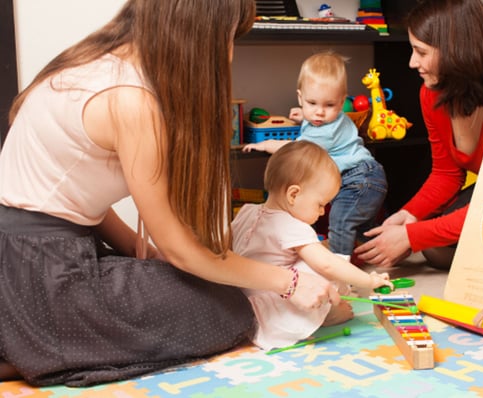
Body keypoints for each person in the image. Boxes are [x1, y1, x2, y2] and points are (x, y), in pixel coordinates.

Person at [0, 0, 341, 387]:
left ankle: (28, 343)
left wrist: (148, 256)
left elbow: (72, 199)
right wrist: (289, 282)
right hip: (45, 271)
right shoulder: (131, 99)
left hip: (20, 257)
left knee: (187, 282)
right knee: (226, 309)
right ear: (199, 34)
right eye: (228, 39)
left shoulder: (86, 64)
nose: (228, 55)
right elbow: (182, 251)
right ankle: (35, 350)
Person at [354, 0, 483, 269]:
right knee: (436, 247)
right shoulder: (431, 94)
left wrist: (411, 236)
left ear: (455, 50)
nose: (411, 62)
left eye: (421, 51)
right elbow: (447, 174)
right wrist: (408, 215)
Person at [232, 140, 392, 350]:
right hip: (275, 316)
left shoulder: (246, 211)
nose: (323, 212)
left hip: (240, 307)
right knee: (331, 261)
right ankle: (328, 313)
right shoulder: (291, 225)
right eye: (320, 204)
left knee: (313, 256)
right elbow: (327, 265)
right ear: (293, 195)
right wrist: (369, 280)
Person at [243, 51, 388, 256]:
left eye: (329, 105)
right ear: (301, 98)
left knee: (340, 221)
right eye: (312, 103)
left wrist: (267, 144)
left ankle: (337, 270)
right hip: (366, 179)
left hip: (358, 179)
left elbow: (297, 151)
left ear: (341, 102)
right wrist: (303, 116)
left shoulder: (325, 131)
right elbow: (319, 120)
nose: (319, 112)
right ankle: (384, 253)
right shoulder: (328, 119)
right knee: (362, 228)